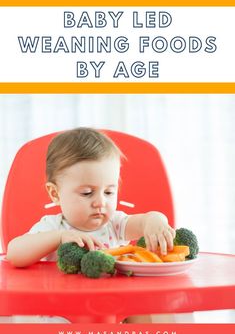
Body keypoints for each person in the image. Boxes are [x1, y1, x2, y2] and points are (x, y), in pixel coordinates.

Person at [6, 127, 175, 323]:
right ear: (55, 194)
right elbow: (14, 253)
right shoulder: (53, 226)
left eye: (109, 192)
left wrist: (155, 220)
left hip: (113, 310)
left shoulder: (116, 224)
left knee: (154, 312)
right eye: (87, 193)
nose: (100, 202)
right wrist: (58, 238)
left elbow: (145, 221)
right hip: (64, 313)